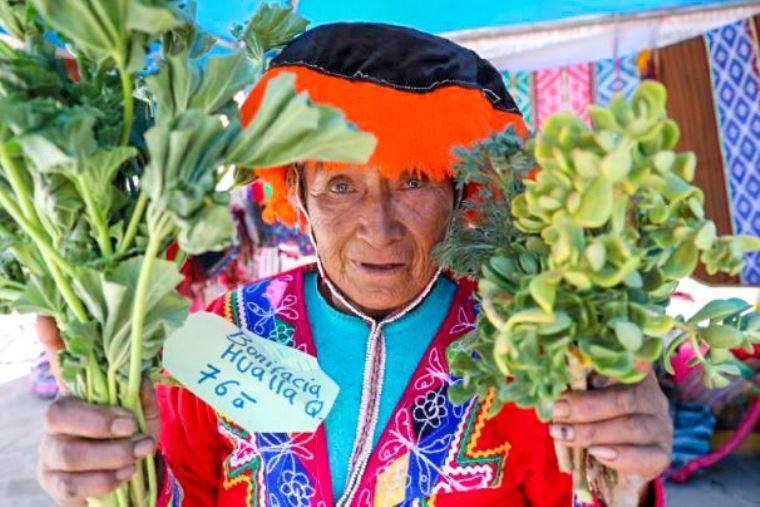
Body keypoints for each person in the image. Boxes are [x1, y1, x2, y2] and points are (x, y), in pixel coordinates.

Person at [36, 23, 672, 506]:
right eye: (342, 186)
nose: (380, 226)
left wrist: (627, 477)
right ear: (297, 196)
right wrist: (112, 472)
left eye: (416, 181)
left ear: (461, 194)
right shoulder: (220, 334)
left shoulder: (532, 347)